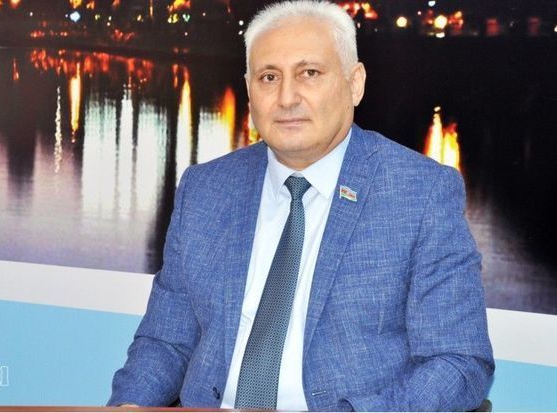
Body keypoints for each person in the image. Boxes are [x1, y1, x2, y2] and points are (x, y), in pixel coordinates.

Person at [108, 1, 494, 410]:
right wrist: (130, 405)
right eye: (269, 77)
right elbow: (165, 342)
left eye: (309, 73)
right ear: (249, 90)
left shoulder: (420, 193)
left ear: (355, 83)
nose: (287, 98)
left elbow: (459, 362)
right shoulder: (205, 190)